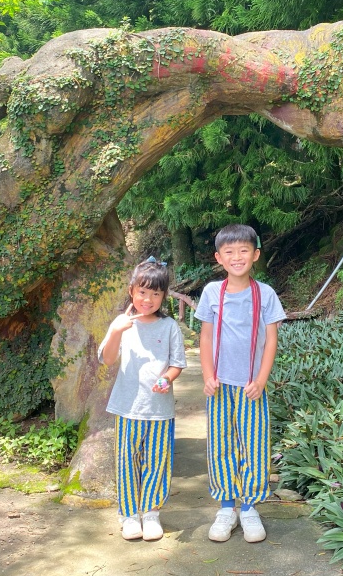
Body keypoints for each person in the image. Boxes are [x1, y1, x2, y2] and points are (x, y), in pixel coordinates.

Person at [195, 224, 286, 543]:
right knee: (220, 446)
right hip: (219, 386)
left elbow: (271, 340)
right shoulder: (211, 293)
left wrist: (262, 380)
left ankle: (248, 508)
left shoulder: (266, 294)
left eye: (244, 251)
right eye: (229, 252)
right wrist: (207, 375)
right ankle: (225, 508)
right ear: (218, 258)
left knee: (254, 446)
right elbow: (205, 336)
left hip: (251, 387)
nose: (237, 257)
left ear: (256, 255)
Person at [99, 257, 187, 541]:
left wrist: (167, 379)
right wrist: (115, 331)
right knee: (126, 462)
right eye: (142, 292)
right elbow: (107, 359)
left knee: (157, 462)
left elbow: (176, 363)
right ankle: (129, 516)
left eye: (156, 294)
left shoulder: (169, 326)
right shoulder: (122, 324)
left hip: (160, 410)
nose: (148, 299)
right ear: (132, 291)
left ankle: (150, 513)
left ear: (163, 295)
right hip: (127, 407)